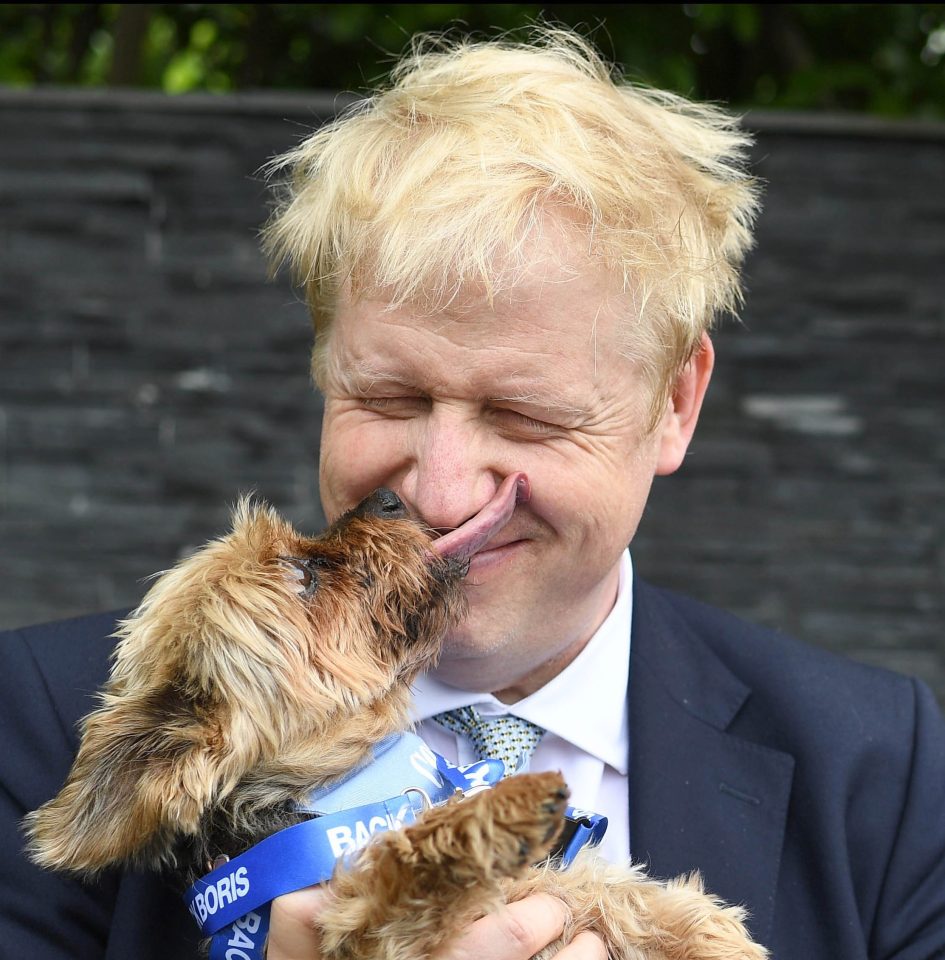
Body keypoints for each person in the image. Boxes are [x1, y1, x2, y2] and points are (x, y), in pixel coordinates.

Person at [2, 28, 943, 960]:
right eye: (390, 397)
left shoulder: (882, 773)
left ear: (674, 405)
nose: (442, 495)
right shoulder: (36, 727)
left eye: (524, 415)